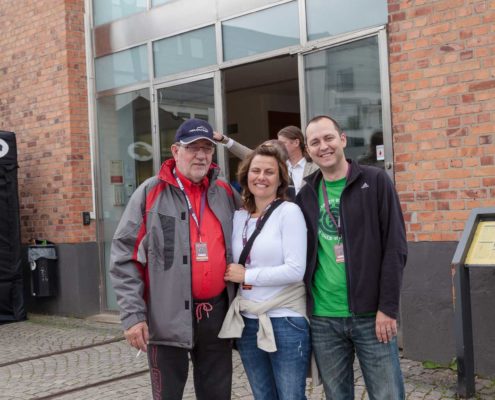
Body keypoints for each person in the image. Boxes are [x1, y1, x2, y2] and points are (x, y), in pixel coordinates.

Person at [110, 118, 240, 400]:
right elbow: (124, 257)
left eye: (207, 148)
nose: (202, 155)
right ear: (175, 151)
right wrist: (133, 316)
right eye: (193, 148)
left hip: (216, 316)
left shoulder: (225, 192)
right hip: (165, 318)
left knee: (218, 394)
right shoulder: (150, 192)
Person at [296, 115, 407, 399]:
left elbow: (395, 248)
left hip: (371, 316)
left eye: (329, 138)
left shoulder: (375, 180)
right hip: (324, 318)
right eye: (315, 142)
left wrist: (388, 308)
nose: (324, 146)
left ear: (342, 139)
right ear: (308, 150)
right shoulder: (306, 193)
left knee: (388, 395)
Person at [218, 143, 311, 400]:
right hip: (247, 321)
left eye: (269, 172)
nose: (261, 177)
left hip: (285, 319)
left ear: (281, 178)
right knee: (262, 395)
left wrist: (246, 276)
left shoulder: (289, 213)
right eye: (255, 170)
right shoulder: (239, 217)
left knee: (291, 396)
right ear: (246, 176)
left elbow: (295, 270)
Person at [214, 125, 318, 194]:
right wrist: (224, 140)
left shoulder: (315, 167)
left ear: (296, 142)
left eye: (283, 143)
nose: (279, 146)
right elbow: (249, 154)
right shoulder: (278, 164)